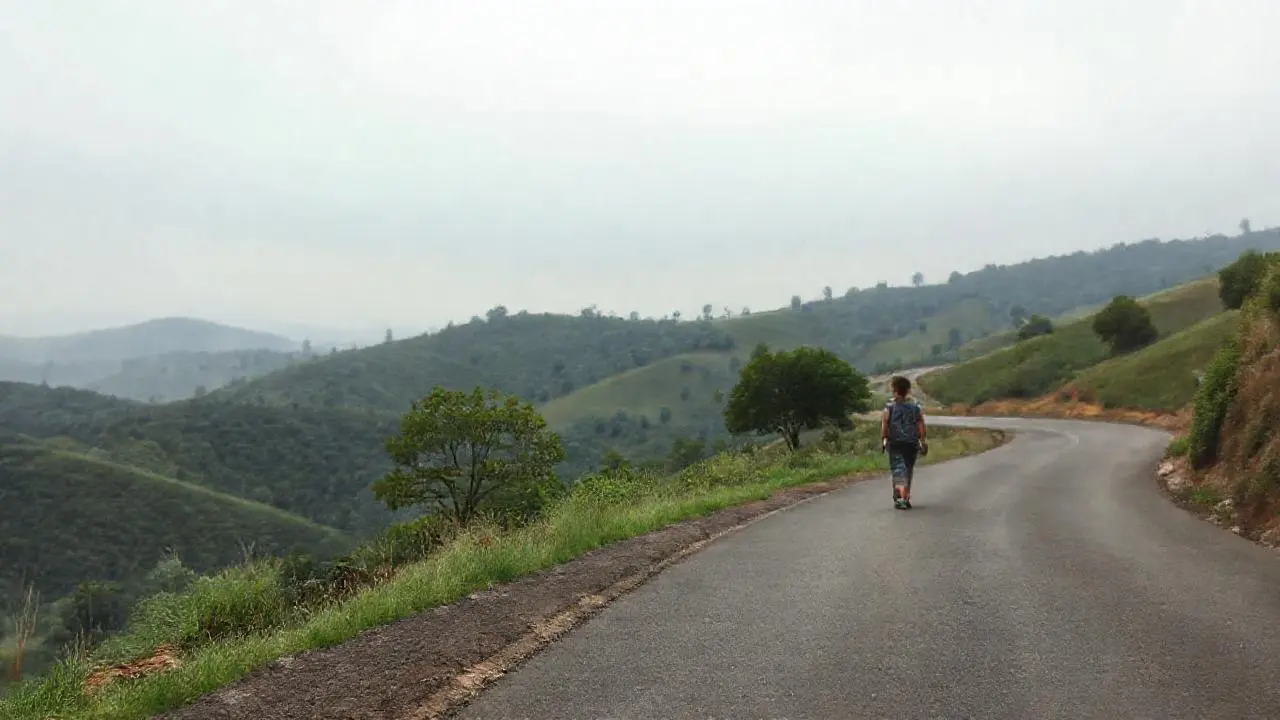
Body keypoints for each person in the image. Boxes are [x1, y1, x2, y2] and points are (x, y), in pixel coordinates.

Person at [881, 375, 927, 509]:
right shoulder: (915, 406)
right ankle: (905, 497)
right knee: (908, 469)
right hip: (911, 443)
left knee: (898, 468)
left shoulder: (889, 406)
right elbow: (920, 424)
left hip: (895, 443)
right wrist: (922, 440)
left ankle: (900, 496)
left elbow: (885, 424)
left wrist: (884, 439)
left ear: (894, 389)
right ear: (907, 390)